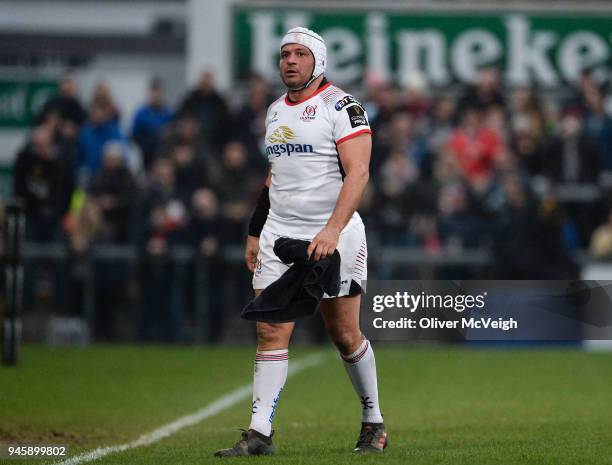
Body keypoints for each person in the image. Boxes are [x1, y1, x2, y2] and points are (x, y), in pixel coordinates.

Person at [214, 27, 386, 457]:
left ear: (319, 61)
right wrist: (255, 230)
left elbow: (359, 173)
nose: (289, 61)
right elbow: (273, 179)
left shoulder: (343, 107)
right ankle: (259, 434)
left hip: (335, 236)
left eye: (299, 54)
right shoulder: (274, 111)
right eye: (284, 54)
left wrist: (331, 230)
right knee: (271, 331)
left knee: (344, 333)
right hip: (279, 237)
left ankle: (373, 421)